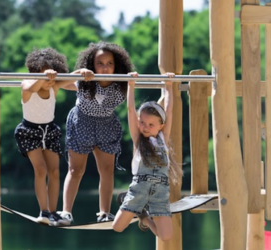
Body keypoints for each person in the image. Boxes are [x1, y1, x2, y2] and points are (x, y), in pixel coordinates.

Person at [59, 41, 136, 223]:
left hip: (106, 124)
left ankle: (104, 213)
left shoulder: (121, 83)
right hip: (82, 122)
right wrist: (77, 73)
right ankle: (65, 212)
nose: (105, 68)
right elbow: (60, 83)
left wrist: (133, 80)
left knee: (107, 170)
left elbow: (133, 96)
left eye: (109, 63)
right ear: (92, 65)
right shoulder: (84, 81)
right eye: (100, 63)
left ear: (116, 65)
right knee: (75, 169)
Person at [13, 48, 88, 226]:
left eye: (53, 76)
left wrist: (83, 72)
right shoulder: (27, 84)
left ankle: (54, 212)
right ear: (35, 72)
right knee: (40, 170)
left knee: (54, 171)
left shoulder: (53, 85)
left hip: (50, 131)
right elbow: (31, 86)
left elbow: (72, 76)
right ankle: (44, 211)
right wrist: (43, 77)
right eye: (45, 75)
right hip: (30, 132)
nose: (49, 80)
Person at [112, 73, 182, 241]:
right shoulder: (138, 140)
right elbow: (130, 110)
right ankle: (137, 210)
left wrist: (169, 86)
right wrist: (131, 85)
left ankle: (144, 217)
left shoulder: (162, 139)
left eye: (151, 125)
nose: (145, 127)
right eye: (142, 122)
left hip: (160, 192)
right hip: (139, 189)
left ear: (161, 126)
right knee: (117, 227)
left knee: (166, 236)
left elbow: (170, 110)